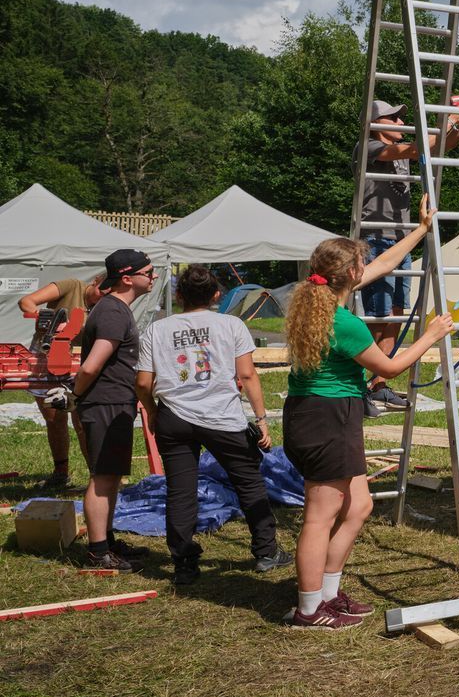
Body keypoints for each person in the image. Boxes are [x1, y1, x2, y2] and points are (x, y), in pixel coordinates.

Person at [282, 209, 452, 631]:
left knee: (359, 505)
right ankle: (308, 610)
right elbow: (389, 371)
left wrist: (422, 230)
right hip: (326, 418)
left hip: (323, 414)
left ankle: (327, 593)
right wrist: (430, 337)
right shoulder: (345, 323)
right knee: (319, 517)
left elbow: (386, 263)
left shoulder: (318, 298)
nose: (368, 267)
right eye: (362, 263)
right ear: (351, 274)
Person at [136, 264, 288, 586]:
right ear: (217, 294)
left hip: (173, 417)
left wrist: (151, 411)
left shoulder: (156, 329)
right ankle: (266, 551)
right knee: (249, 483)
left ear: (178, 295)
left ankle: (183, 564)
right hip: (223, 416)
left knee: (180, 490)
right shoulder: (230, 324)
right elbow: (247, 376)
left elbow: (142, 382)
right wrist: (262, 420)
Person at [355, 95, 459, 413]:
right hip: (375, 238)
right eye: (393, 119)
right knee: (377, 314)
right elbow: (417, 148)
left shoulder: (400, 151)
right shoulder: (369, 147)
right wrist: (450, 118)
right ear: (375, 124)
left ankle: (378, 385)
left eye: (401, 118)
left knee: (396, 312)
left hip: (401, 240)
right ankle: (358, 384)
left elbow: (439, 147)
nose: (401, 123)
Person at [71, 248, 159, 570]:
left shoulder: (114, 309)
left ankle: (106, 541)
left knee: (111, 476)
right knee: (103, 478)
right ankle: (98, 553)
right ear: (127, 278)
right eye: (148, 273)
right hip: (104, 402)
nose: (154, 277)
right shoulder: (112, 312)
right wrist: (76, 395)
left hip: (112, 401)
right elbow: (92, 366)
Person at [15, 272, 102, 492]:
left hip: (78, 361)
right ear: (95, 282)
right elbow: (26, 302)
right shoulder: (72, 286)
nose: (105, 295)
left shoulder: (107, 306)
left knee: (83, 421)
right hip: (47, 357)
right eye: (104, 289)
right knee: (54, 418)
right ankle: (60, 473)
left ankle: (97, 478)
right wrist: (45, 321)